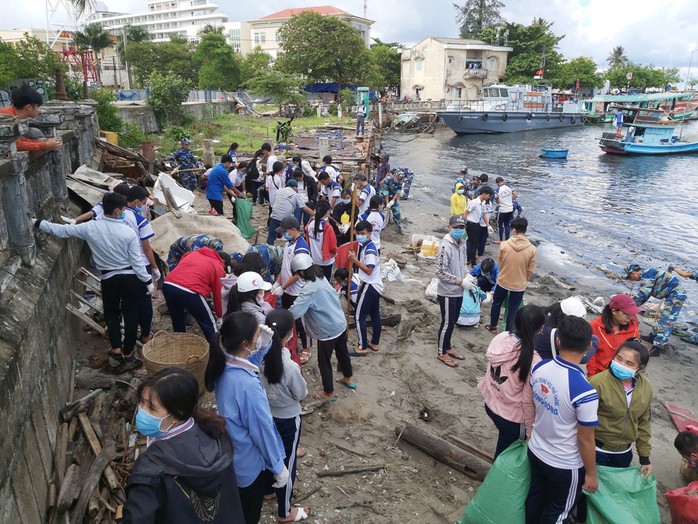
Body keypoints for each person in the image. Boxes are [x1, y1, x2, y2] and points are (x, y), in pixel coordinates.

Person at [37, 193, 153, 372]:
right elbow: (137, 262)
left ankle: (116, 351)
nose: (124, 213)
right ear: (116, 211)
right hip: (131, 279)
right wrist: (148, 281)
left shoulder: (90, 227)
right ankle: (129, 354)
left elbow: (61, 231)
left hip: (109, 279)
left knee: (112, 314)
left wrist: (38, 223)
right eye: (123, 210)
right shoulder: (128, 232)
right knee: (131, 316)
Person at [122, 368, 245, 523]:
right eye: (141, 402)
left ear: (176, 413)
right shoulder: (216, 432)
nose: (142, 412)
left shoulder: (150, 469)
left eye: (151, 408)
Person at [204, 312, 288, 524]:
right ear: (244, 342)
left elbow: (247, 362)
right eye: (256, 335)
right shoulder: (247, 385)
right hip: (248, 464)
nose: (259, 337)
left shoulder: (225, 363)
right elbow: (261, 429)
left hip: (235, 455)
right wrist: (278, 466)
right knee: (248, 515)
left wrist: (263, 347)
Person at [525, 316, 599, 524]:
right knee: (559, 512)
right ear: (587, 348)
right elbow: (585, 440)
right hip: (564, 463)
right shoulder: (585, 391)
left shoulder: (540, 366)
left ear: (558, 341)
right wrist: (591, 474)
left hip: (537, 449)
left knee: (535, 500)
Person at [260, 310, 311, 523]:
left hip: (267, 415)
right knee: (287, 462)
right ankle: (285, 512)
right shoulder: (290, 367)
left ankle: (268, 491)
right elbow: (301, 394)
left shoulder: (258, 357)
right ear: (290, 334)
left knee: (269, 453)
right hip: (288, 418)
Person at [478, 305, 546, 458]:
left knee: (503, 442)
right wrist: (530, 432)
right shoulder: (533, 359)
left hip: (490, 403)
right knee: (504, 454)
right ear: (539, 329)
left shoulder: (501, 337)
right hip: (510, 418)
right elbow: (528, 401)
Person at [287, 254, 355, 400]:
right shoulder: (320, 276)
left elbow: (295, 311)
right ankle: (348, 378)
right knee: (343, 352)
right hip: (339, 322)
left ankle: (329, 392)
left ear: (302, 272)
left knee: (324, 361)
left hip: (327, 330)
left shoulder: (309, 289)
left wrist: (282, 315)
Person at [589, 339, 653, 473]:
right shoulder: (597, 383)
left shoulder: (646, 388)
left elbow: (644, 422)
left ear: (640, 369)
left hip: (624, 453)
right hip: (596, 450)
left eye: (629, 363)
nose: (621, 364)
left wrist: (644, 457)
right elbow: (582, 419)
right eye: (619, 359)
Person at [163, 247, 231, 343]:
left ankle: (180, 347)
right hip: (189, 291)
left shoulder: (193, 253)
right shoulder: (218, 265)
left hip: (168, 285)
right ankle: (217, 351)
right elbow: (218, 294)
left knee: (177, 319)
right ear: (223, 262)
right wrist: (220, 315)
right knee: (209, 323)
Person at [435, 215, 476, 367]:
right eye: (456, 227)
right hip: (447, 291)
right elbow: (439, 272)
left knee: (453, 321)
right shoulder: (445, 246)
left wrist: (467, 275)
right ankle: (441, 352)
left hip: (459, 290)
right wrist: (459, 281)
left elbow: (463, 264)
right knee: (446, 322)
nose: (459, 230)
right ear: (449, 227)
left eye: (462, 227)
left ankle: (448, 346)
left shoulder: (463, 244)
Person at [486, 217, 537, 334]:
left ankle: (493, 326)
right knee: (513, 308)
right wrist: (524, 279)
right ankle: (509, 332)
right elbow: (530, 269)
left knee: (497, 303)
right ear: (525, 230)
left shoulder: (504, 245)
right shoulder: (532, 249)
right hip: (519, 284)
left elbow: (500, 262)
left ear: (513, 230)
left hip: (503, 280)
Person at [626, 263, 687, 356]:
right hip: (671, 294)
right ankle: (653, 336)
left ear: (633, 273)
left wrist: (629, 307)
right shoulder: (647, 274)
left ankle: (658, 347)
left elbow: (643, 294)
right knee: (663, 317)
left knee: (666, 321)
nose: (632, 279)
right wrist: (633, 306)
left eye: (630, 277)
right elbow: (646, 295)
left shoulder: (647, 275)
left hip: (676, 295)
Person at [124, 186, 159, 343]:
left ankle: (129, 339)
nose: (144, 205)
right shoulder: (140, 221)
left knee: (129, 301)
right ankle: (145, 335)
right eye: (144, 202)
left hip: (122, 265)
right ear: (137, 201)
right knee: (145, 300)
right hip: (141, 265)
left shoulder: (116, 215)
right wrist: (155, 268)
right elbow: (146, 248)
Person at [272, 216, 312, 354]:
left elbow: (298, 274)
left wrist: (282, 287)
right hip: (287, 290)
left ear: (293, 230)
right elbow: (285, 268)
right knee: (288, 318)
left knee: (301, 321)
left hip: (297, 291)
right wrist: (277, 282)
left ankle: (306, 349)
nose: (283, 234)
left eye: (285, 231)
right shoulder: (289, 244)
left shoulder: (301, 248)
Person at [349, 221, 383, 355]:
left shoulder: (369, 249)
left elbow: (369, 270)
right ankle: (374, 342)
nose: (359, 236)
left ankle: (362, 347)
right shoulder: (364, 245)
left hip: (370, 285)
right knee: (375, 315)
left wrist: (354, 260)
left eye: (362, 234)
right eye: (358, 234)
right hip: (375, 284)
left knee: (359, 316)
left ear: (369, 234)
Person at [587, 294, 642, 376]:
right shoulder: (595, 326)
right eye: (626, 313)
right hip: (599, 374)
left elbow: (636, 354)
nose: (629, 317)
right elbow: (591, 354)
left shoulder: (633, 329)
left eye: (631, 313)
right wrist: (592, 375)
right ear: (614, 311)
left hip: (621, 375)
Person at [0, 85, 62, 152]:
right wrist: (45, 145)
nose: (39, 110)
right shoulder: (7, 117)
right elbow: (17, 145)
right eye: (37, 107)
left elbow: (20, 140)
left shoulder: (15, 115)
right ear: (29, 107)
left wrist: (44, 142)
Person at [267, 180, 315, 246]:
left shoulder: (278, 191)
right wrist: (315, 215)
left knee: (271, 235)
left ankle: (268, 250)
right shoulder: (295, 194)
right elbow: (305, 208)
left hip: (274, 216)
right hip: (286, 219)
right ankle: (291, 248)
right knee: (291, 236)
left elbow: (273, 203)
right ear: (294, 187)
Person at [306, 200, 337, 281]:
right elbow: (333, 245)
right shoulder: (327, 227)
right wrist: (335, 252)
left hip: (314, 259)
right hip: (325, 261)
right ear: (327, 211)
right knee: (325, 282)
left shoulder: (310, 223)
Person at [464, 186, 492, 267]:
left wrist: (488, 225)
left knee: (474, 243)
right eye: (488, 195)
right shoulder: (474, 202)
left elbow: (483, 214)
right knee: (473, 244)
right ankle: (472, 262)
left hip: (477, 224)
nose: (489, 197)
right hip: (471, 224)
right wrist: (464, 224)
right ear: (484, 194)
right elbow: (466, 212)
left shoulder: (481, 203)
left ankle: (469, 260)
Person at [379, 168, 403, 234]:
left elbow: (398, 191)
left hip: (393, 197)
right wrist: (387, 203)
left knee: (397, 212)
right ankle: (380, 227)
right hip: (383, 197)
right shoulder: (388, 180)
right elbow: (385, 192)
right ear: (395, 175)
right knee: (382, 212)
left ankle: (397, 227)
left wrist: (392, 201)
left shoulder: (400, 181)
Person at [495, 176, 517, 242]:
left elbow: (497, 201)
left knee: (500, 224)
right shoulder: (509, 187)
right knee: (507, 224)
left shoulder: (497, 190)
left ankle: (501, 240)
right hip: (510, 208)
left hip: (502, 209)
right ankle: (507, 239)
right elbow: (515, 195)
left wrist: (502, 201)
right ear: (503, 181)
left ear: (497, 183)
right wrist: (509, 200)